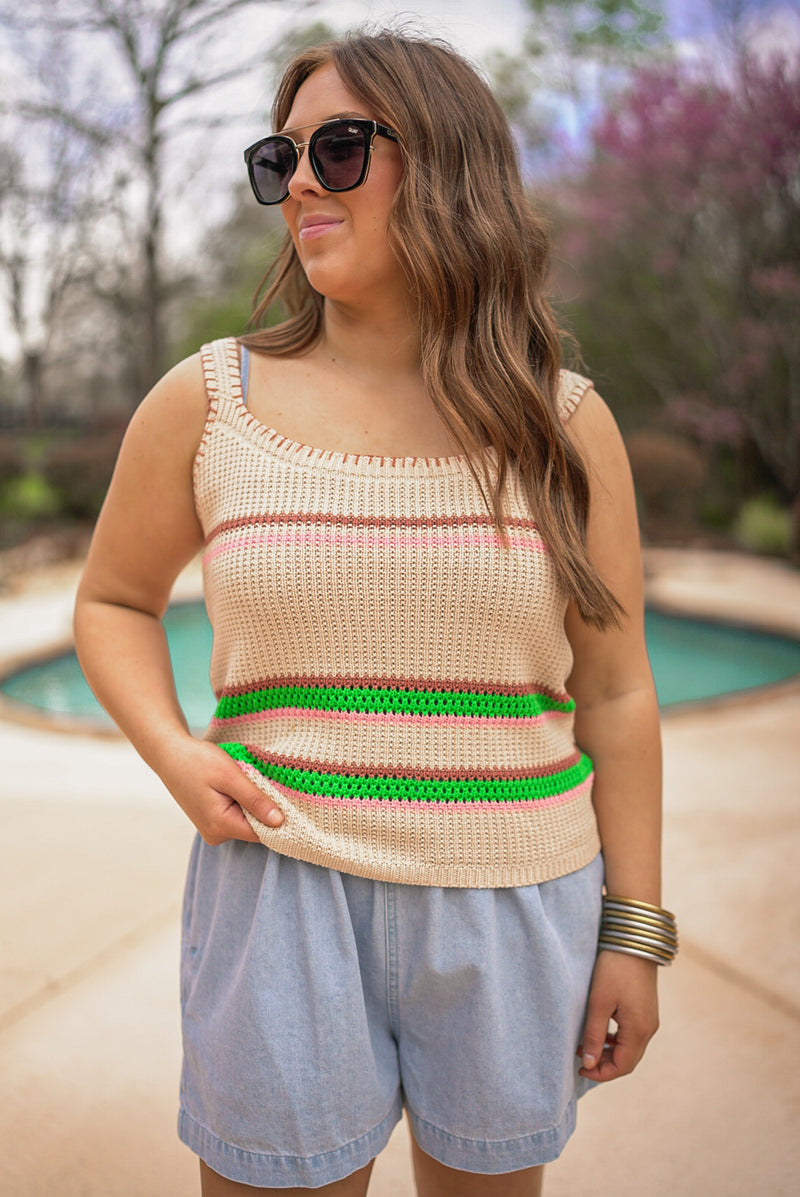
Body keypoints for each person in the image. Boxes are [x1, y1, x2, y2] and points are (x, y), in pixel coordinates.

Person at [73, 28, 675, 1197]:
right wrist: (170, 752)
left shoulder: (565, 422)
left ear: (446, 164)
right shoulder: (205, 402)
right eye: (279, 156)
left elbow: (615, 690)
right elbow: (109, 599)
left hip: (513, 901)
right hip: (279, 896)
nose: (298, 180)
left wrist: (633, 933)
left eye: (338, 148)